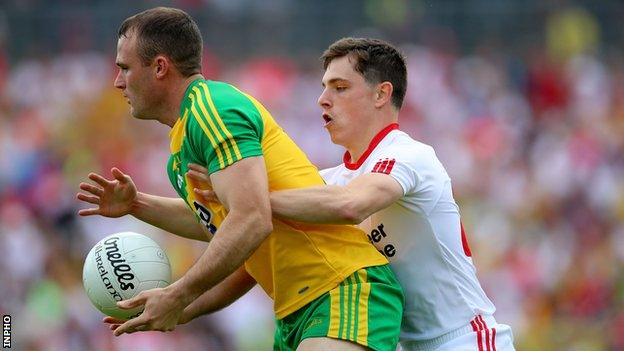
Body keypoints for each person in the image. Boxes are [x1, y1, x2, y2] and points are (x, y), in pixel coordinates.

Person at [76, 9, 404, 351]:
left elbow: (251, 219)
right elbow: (229, 232)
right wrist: (137, 205)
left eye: (124, 68)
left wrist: (178, 293)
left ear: (160, 67)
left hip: (341, 287)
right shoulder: (181, 151)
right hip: (296, 311)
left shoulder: (212, 110)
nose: (117, 81)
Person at [188, 37, 515, 350]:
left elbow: (350, 205)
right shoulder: (331, 181)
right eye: (323, 88)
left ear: (381, 94)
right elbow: (230, 223)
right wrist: (140, 205)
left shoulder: (409, 155)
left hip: (463, 340)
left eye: (340, 88)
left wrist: (249, 204)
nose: (322, 99)